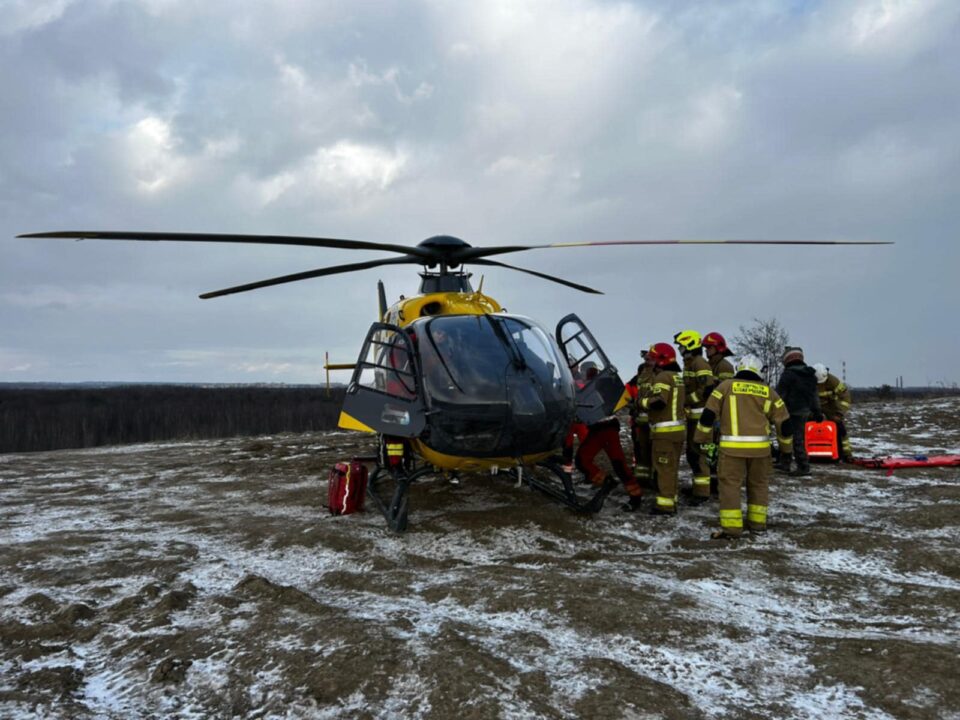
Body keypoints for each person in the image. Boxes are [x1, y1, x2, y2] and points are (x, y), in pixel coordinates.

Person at [694, 355, 793, 539]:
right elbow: (785, 424)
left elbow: (708, 415)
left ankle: (732, 530)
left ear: (739, 368)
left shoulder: (725, 387)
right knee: (759, 485)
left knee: (730, 487)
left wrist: (701, 439)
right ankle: (757, 525)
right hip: (761, 452)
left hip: (731, 451)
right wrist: (786, 450)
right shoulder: (769, 392)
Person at [572, 362, 646, 511]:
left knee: (614, 464)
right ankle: (612, 484)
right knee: (585, 460)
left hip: (606, 429)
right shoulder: (590, 386)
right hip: (599, 428)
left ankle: (632, 495)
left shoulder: (598, 385)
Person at [636, 343, 686, 515]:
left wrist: (641, 403)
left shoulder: (663, 377)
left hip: (665, 433)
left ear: (662, 360)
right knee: (671, 468)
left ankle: (664, 506)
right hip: (677, 431)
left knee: (663, 468)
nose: (652, 363)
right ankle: (672, 500)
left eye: (654, 359)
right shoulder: (677, 377)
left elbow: (659, 401)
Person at [674, 330, 715, 504]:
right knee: (692, 453)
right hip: (693, 417)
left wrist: (686, 401)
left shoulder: (700, 364)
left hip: (700, 417)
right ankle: (698, 488)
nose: (680, 349)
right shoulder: (690, 364)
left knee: (698, 454)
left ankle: (702, 493)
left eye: (682, 346)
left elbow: (706, 390)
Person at [774, 346, 822, 476]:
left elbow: (779, 395)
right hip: (804, 411)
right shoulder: (810, 376)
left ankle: (802, 466)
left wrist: (773, 410)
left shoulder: (788, 375)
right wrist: (817, 412)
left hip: (789, 411)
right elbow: (814, 396)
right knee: (796, 438)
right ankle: (786, 463)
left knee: (787, 437)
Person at [702, 332, 735, 493]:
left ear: (719, 348)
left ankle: (718, 484)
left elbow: (725, 393)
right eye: (706, 347)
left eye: (709, 347)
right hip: (712, 413)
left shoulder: (725, 367)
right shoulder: (710, 364)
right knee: (710, 450)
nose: (706, 350)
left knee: (718, 450)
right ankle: (712, 482)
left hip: (721, 415)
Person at [628, 346, 657, 490]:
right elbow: (631, 392)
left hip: (654, 422)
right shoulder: (642, 375)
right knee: (641, 452)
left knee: (655, 452)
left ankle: (655, 480)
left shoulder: (660, 375)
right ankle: (642, 479)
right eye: (645, 359)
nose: (646, 362)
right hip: (640, 422)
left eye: (649, 359)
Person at [813, 363, 854, 462]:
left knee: (840, 429)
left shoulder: (833, 381)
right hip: (813, 407)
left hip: (830, 406)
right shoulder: (808, 381)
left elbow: (845, 397)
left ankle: (847, 454)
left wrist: (839, 414)